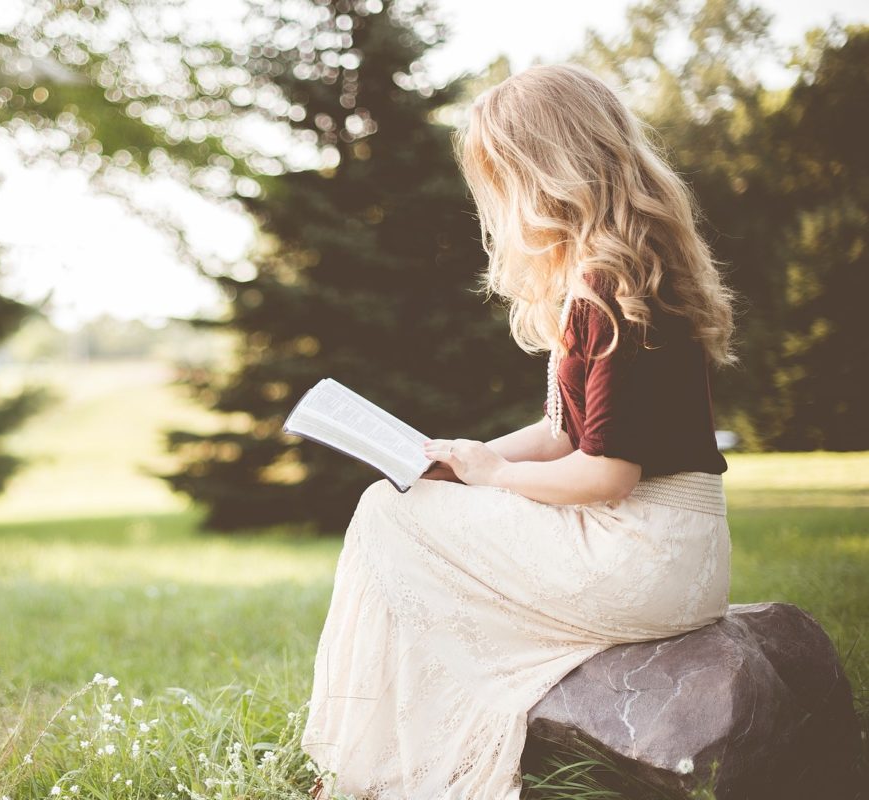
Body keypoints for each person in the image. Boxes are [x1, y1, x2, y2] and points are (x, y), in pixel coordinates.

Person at [301, 63, 740, 799]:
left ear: (546, 172)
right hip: (676, 551)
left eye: (501, 177)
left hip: (640, 552)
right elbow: (563, 431)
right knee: (406, 503)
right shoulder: (629, 270)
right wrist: (453, 457)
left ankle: (370, 768)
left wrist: (492, 477)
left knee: (386, 514)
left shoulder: (605, 284)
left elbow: (605, 475)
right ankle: (384, 758)